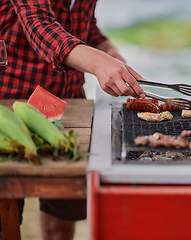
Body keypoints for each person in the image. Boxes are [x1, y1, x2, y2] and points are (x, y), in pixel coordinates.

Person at [0, 0, 145, 239]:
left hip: (70, 108)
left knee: (62, 220)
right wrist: (99, 64)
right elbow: (40, 25)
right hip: (10, 104)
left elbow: (83, 23)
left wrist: (105, 48)